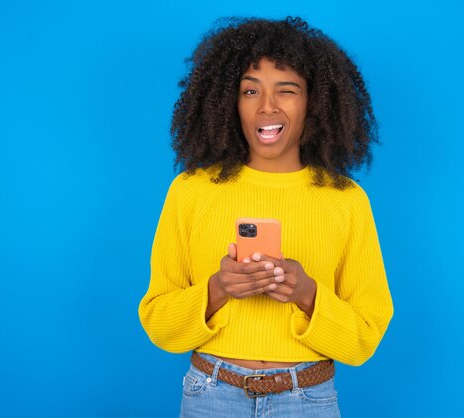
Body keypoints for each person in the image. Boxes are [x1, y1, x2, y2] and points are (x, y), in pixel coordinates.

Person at [139, 16, 394, 417]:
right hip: (210, 395)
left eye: (286, 90)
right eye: (250, 90)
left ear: (314, 101)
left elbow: (364, 337)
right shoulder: (191, 191)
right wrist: (218, 288)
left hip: (306, 399)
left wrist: (306, 294)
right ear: (228, 102)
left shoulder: (346, 199)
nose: (267, 106)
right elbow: (158, 321)